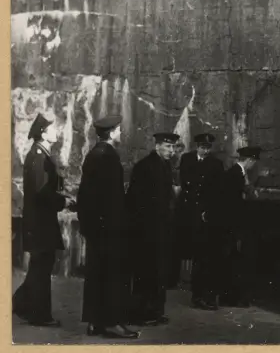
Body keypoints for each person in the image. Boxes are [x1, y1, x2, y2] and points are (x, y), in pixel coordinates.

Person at [76, 115, 139, 339]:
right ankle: (112, 323)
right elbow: (113, 199)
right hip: (109, 229)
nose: (120, 133)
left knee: (96, 274)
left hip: (95, 227)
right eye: (118, 130)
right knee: (113, 275)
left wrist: (88, 225)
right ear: (112, 133)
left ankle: (94, 322)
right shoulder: (109, 157)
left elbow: (85, 195)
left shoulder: (93, 154)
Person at [13, 113, 74, 327]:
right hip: (40, 224)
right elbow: (41, 192)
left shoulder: (41, 155)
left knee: (39, 267)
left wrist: (61, 196)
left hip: (41, 222)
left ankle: (22, 305)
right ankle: (39, 315)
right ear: (43, 134)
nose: (56, 131)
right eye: (52, 129)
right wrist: (63, 201)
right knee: (41, 268)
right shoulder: (39, 157)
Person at [126, 132, 180, 326]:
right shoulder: (145, 166)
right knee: (145, 272)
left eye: (173, 147)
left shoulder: (165, 165)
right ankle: (141, 313)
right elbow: (136, 200)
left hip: (161, 229)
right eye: (168, 147)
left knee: (158, 272)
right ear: (157, 146)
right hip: (147, 230)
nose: (171, 151)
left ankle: (155, 311)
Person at [178, 133, 225, 310]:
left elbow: (217, 191)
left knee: (205, 256)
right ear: (196, 146)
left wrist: (208, 210)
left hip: (206, 216)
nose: (205, 150)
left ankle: (203, 295)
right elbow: (185, 184)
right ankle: (196, 294)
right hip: (190, 215)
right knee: (194, 255)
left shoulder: (216, 164)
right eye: (202, 147)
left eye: (208, 148)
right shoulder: (187, 159)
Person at [217, 146, 262, 308]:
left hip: (233, 225)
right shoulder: (235, 174)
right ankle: (229, 298)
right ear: (249, 160)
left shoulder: (238, 173)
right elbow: (234, 202)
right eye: (254, 162)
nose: (253, 165)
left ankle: (231, 297)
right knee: (231, 261)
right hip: (232, 225)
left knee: (233, 260)